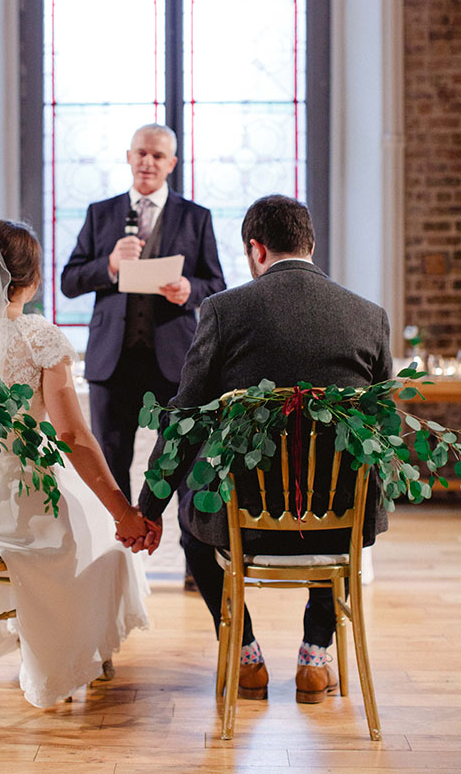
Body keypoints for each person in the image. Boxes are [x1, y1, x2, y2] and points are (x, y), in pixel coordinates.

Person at [132, 194, 392, 704]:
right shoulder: (370, 317)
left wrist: (150, 509)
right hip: (339, 520)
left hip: (243, 525)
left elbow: (184, 418)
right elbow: (382, 430)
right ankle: (315, 656)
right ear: (310, 245)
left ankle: (246, 654)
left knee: (193, 524)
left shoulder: (225, 311)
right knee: (342, 496)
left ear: (256, 249)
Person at [0, 220, 152, 708]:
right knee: (104, 539)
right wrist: (123, 512)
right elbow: (70, 434)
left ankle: (45, 640)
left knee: (88, 523)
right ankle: (79, 649)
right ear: (30, 280)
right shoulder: (37, 336)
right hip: (23, 512)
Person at [61, 123, 226, 503]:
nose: (147, 162)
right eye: (141, 153)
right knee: (109, 467)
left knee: (183, 461)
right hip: (112, 362)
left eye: (157, 156)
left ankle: (195, 563)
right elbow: (69, 281)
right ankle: (116, 559)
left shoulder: (195, 217)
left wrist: (190, 290)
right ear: (129, 157)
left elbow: (216, 284)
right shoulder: (100, 213)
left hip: (174, 363)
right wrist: (111, 264)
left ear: (172, 163)